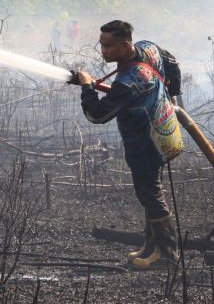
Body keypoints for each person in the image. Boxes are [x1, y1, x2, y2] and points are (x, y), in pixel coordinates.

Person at [70, 20, 184, 268]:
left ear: (125, 44)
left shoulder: (128, 80)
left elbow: (97, 115)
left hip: (143, 141)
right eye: (101, 44)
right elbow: (172, 61)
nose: (103, 51)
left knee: (149, 192)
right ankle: (151, 246)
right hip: (161, 131)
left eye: (109, 46)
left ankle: (166, 254)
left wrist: (87, 87)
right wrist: (172, 92)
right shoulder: (148, 48)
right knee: (149, 192)